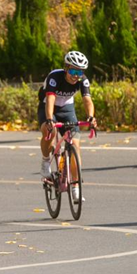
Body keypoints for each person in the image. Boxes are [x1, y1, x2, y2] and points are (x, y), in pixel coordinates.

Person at [38, 50, 97, 181]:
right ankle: (46, 161)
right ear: (66, 68)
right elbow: (50, 100)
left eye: (80, 72)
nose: (76, 76)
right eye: (73, 72)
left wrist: (91, 117)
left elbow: (87, 100)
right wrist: (49, 119)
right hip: (48, 106)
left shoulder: (83, 80)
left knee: (75, 144)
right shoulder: (54, 77)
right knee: (50, 131)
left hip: (66, 108)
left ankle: (75, 186)